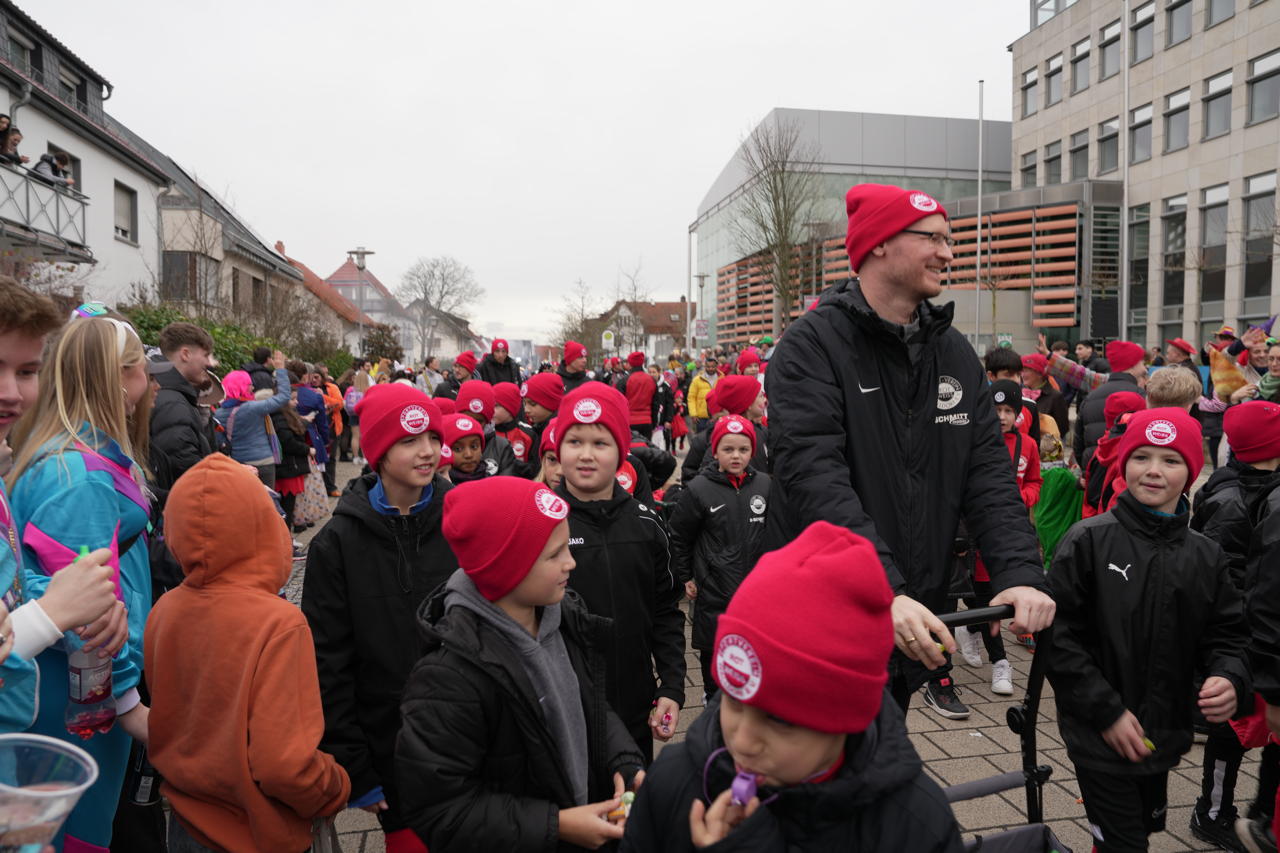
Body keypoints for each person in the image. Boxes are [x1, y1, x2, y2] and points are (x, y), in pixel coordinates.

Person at [764, 183, 1054, 715]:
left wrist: (1018, 574)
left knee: (884, 763)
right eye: (933, 238)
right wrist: (880, 590)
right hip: (829, 618)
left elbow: (988, 473)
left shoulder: (954, 352)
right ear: (877, 245)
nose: (948, 252)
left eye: (949, 239)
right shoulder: (811, 347)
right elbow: (815, 480)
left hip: (911, 613)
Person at [622, 521, 964, 852]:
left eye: (781, 720)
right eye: (734, 699)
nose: (742, 740)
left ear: (848, 718)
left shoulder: (914, 825)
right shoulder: (675, 780)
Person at [396, 476, 645, 851]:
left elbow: (588, 705)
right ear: (506, 568)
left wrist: (622, 760)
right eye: (554, 554)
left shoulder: (563, 619)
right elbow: (440, 810)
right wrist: (555, 825)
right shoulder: (448, 678)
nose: (571, 562)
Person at [1048, 407, 1249, 853]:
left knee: (1142, 827)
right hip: (1098, 736)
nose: (1154, 471)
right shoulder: (1087, 541)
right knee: (1127, 842)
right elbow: (1059, 640)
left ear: (1192, 471)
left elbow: (1228, 634)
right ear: (1124, 463)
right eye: (1142, 457)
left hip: (1164, 733)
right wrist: (1107, 713)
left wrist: (1229, 676)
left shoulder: (1206, 556)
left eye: (1170, 460)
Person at [145, 454, 350, 853]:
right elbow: (284, 766)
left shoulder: (164, 611)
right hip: (258, 831)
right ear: (261, 528)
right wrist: (333, 787)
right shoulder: (278, 623)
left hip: (187, 823)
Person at [7, 314, 154, 850]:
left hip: (62, 689)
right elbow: (87, 612)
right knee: (77, 834)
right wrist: (126, 702)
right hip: (77, 705)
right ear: (119, 378)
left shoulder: (67, 453)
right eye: (144, 371)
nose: (152, 384)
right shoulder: (81, 476)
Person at [302, 385, 457, 853]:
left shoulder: (463, 520)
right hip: (390, 749)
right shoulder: (336, 546)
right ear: (377, 451)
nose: (427, 450)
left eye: (432, 435)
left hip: (470, 737)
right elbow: (327, 661)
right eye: (409, 440)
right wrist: (355, 767)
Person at [0, 280, 118, 735]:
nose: (11, 393)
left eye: (27, 372)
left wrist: (69, 595)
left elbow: (8, 580)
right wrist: (48, 616)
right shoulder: (74, 473)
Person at [554, 382, 685, 763]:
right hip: (563, 712)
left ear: (622, 452)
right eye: (574, 441)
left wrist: (673, 686)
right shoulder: (540, 525)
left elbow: (664, 611)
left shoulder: (648, 525)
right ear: (558, 448)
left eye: (601, 443)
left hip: (633, 704)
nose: (586, 455)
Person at [1184, 402, 1280, 849]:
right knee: (1233, 731)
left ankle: (1256, 811)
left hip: (1251, 633)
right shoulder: (1241, 502)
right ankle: (1214, 812)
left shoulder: (1229, 490)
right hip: (1242, 635)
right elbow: (1224, 577)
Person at [668, 415, 770, 700]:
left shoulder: (765, 485)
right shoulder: (699, 489)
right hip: (714, 588)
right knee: (714, 646)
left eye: (743, 449)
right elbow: (679, 535)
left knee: (757, 646)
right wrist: (686, 575)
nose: (736, 455)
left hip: (757, 588)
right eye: (728, 449)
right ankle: (712, 696)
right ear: (715, 451)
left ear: (752, 451)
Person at [956, 381, 1041, 699]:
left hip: (1007, 532)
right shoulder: (970, 442)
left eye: (1009, 411)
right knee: (977, 594)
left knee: (990, 596)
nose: (1002, 417)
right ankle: (983, 640)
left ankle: (992, 650)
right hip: (972, 534)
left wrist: (1023, 498)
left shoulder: (1028, 446)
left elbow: (1034, 480)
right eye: (996, 410)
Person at [149, 322, 216, 491]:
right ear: (185, 354)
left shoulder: (169, 393)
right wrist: (230, 477)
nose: (209, 363)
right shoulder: (173, 403)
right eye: (205, 355)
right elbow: (183, 466)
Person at [213, 354, 291, 486]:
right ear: (241, 387)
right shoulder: (252, 408)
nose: (253, 387)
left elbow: (220, 441)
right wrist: (281, 370)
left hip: (239, 464)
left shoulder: (219, 414)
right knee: (267, 501)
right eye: (249, 384)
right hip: (263, 463)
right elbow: (283, 397)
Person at [1071, 340, 1149, 471]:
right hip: (1128, 470)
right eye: (1141, 362)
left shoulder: (1091, 397)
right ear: (1132, 364)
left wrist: (1087, 469)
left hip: (1095, 468)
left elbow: (1078, 442)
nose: (1144, 368)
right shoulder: (1141, 396)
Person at [680, 375, 769, 485]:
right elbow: (697, 477)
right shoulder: (715, 437)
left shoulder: (762, 432)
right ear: (748, 404)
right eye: (761, 396)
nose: (765, 400)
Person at [455, 379, 517, 476]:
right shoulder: (446, 443)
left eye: (479, 421)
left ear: (488, 420)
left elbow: (507, 484)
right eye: (467, 419)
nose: (472, 426)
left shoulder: (502, 447)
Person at [1021, 353, 1070, 438]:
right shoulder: (1018, 393)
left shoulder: (1055, 397)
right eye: (1022, 370)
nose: (1022, 374)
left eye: (1027, 370)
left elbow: (1062, 428)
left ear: (1040, 373)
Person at [491, 381, 536, 474]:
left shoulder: (528, 433)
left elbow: (536, 467)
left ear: (510, 408)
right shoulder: (488, 434)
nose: (491, 410)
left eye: (496, 406)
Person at [521, 371, 564, 458]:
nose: (526, 410)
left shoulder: (558, 436)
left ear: (550, 403)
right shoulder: (537, 429)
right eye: (525, 403)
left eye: (532, 404)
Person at [441, 412, 489, 484]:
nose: (468, 455)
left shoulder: (490, 480)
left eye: (474, 447)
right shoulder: (440, 487)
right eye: (458, 449)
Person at [625, 351, 657, 440]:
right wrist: (654, 423)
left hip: (630, 421)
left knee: (631, 450)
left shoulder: (625, 380)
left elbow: (620, 404)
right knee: (646, 449)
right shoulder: (651, 380)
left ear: (630, 363)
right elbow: (655, 404)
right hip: (647, 421)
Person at [687, 356, 719, 433]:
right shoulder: (697, 380)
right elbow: (691, 397)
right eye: (708, 367)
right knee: (702, 441)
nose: (710, 369)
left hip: (718, 416)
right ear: (705, 367)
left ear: (716, 367)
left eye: (713, 366)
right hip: (701, 418)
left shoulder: (722, 379)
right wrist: (693, 414)